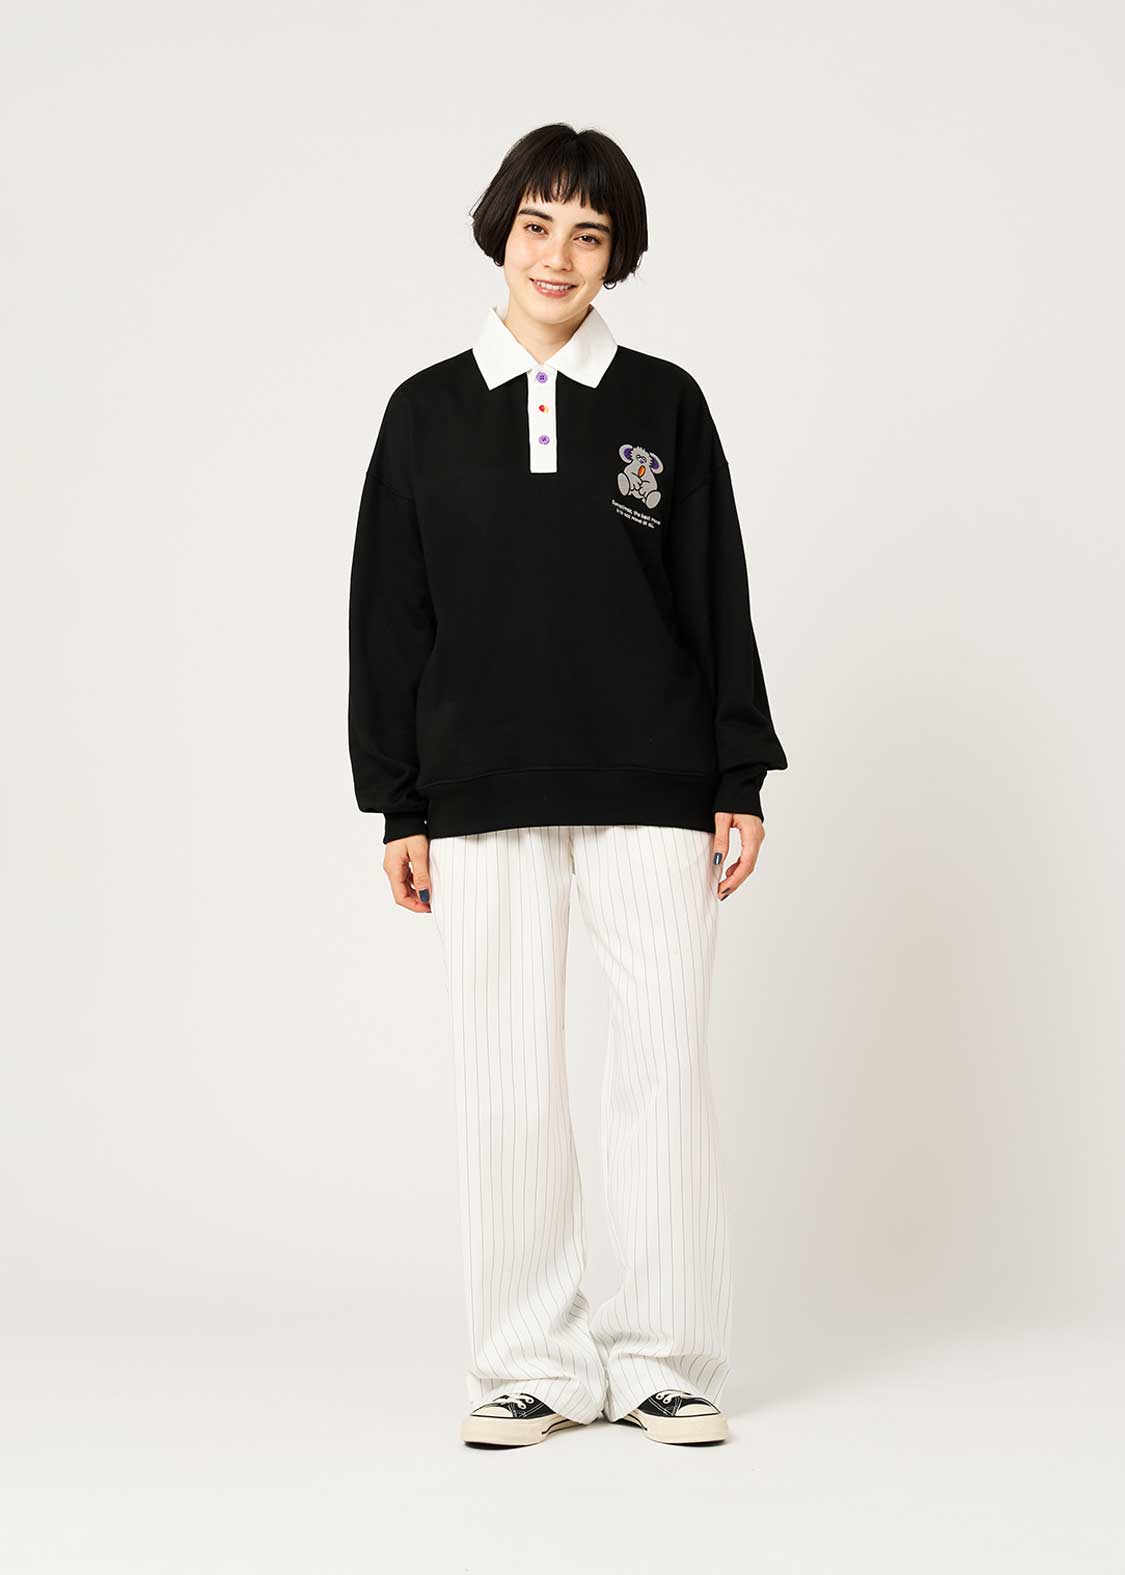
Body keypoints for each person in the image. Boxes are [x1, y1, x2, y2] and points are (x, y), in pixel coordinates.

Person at [347, 123, 788, 1449]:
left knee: (660, 1066)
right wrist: (399, 801)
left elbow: (714, 589)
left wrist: (738, 771)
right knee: (508, 1078)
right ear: (501, 233)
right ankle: (529, 1363)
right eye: (537, 225)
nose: (558, 255)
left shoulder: (664, 405)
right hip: (477, 790)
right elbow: (390, 614)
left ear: (616, 255)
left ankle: (663, 1359)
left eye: (589, 234)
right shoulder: (425, 412)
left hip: (655, 781)